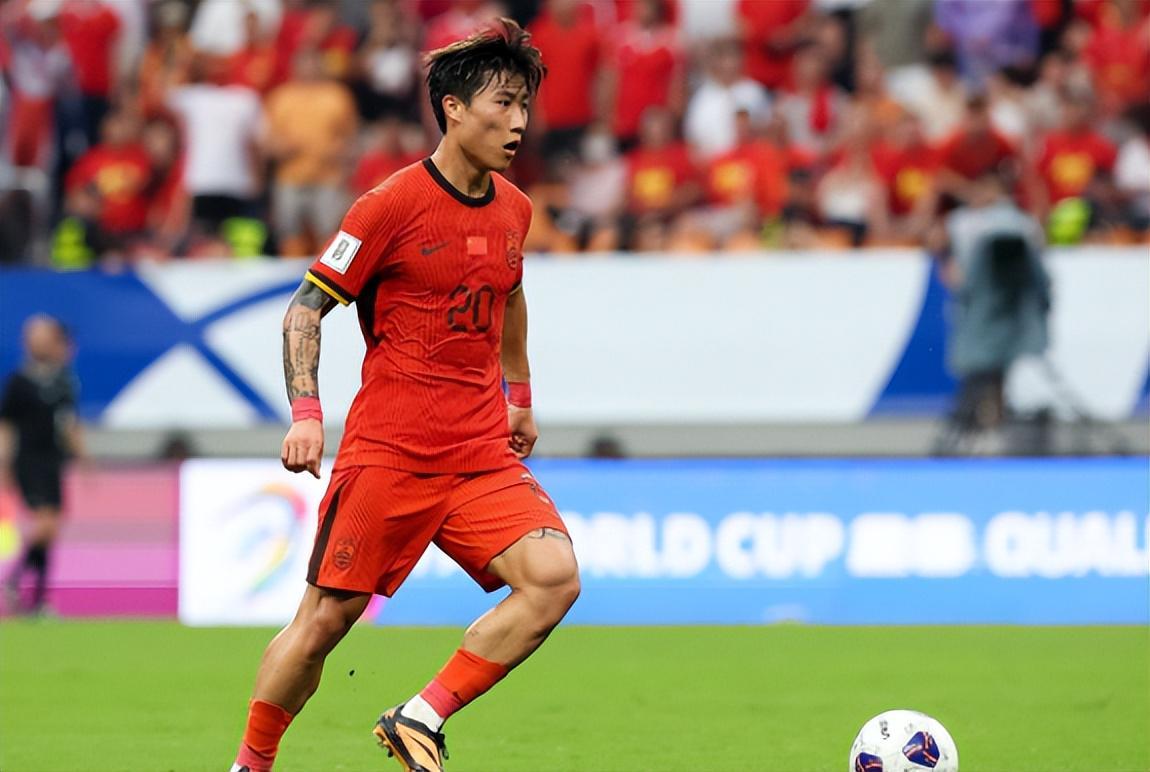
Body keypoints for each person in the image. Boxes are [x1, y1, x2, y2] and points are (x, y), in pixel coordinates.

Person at [229, 19, 580, 772]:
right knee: (325, 623)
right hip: (390, 453)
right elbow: (305, 309)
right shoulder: (386, 206)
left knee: (554, 580)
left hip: (479, 453)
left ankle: (419, 716)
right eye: (503, 104)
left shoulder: (516, 209)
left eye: (525, 106)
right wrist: (306, 415)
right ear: (453, 108)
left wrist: (518, 393)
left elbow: (511, 293)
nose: (519, 123)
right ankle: (250, 765)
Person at [931, 168, 1050, 455]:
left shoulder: (1016, 222)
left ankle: (994, 420)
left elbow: (1035, 251)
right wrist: (948, 264)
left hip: (1007, 300)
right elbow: (936, 242)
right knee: (976, 363)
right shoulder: (962, 221)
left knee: (999, 363)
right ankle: (976, 421)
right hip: (974, 300)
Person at [1, 315, 83, 615]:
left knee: (51, 530)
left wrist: (84, 457)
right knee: (45, 523)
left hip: (53, 462)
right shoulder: (19, 382)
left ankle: (37, 600)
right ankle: (15, 580)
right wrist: (4, 463)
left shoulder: (63, 381)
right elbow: (6, 425)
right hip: (28, 461)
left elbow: (69, 423)